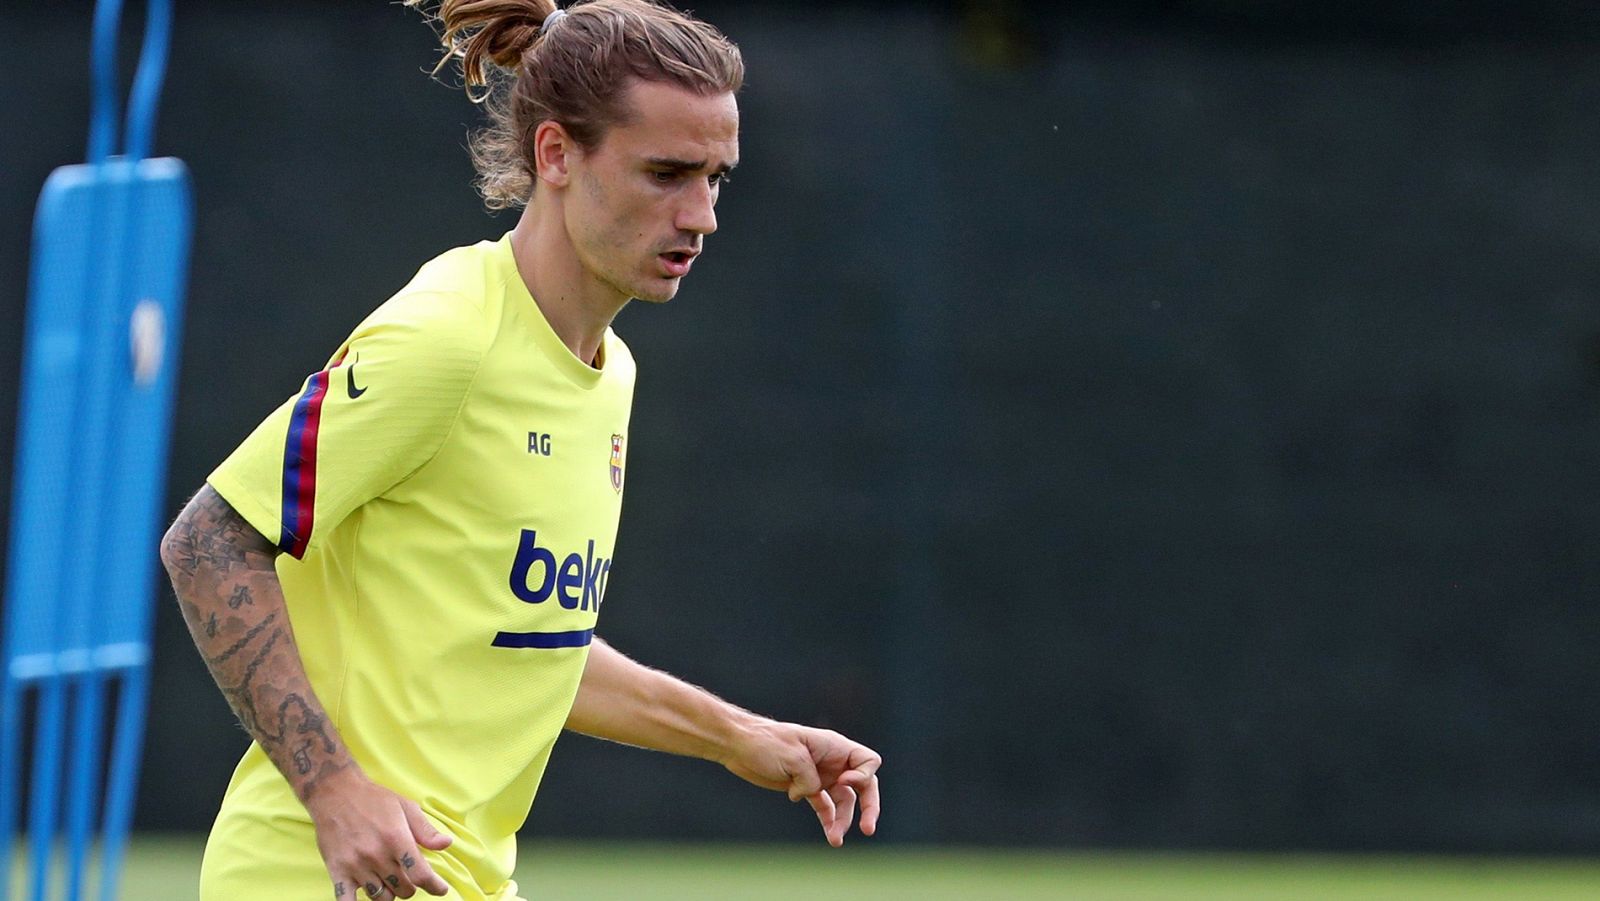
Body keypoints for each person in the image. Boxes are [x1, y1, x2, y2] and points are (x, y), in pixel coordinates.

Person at [158, 1, 882, 898]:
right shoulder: (447, 339)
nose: (703, 215)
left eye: (717, 179)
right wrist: (335, 788)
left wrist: (740, 735)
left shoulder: (607, 370)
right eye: (666, 173)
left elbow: (531, 642)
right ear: (555, 156)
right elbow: (206, 542)